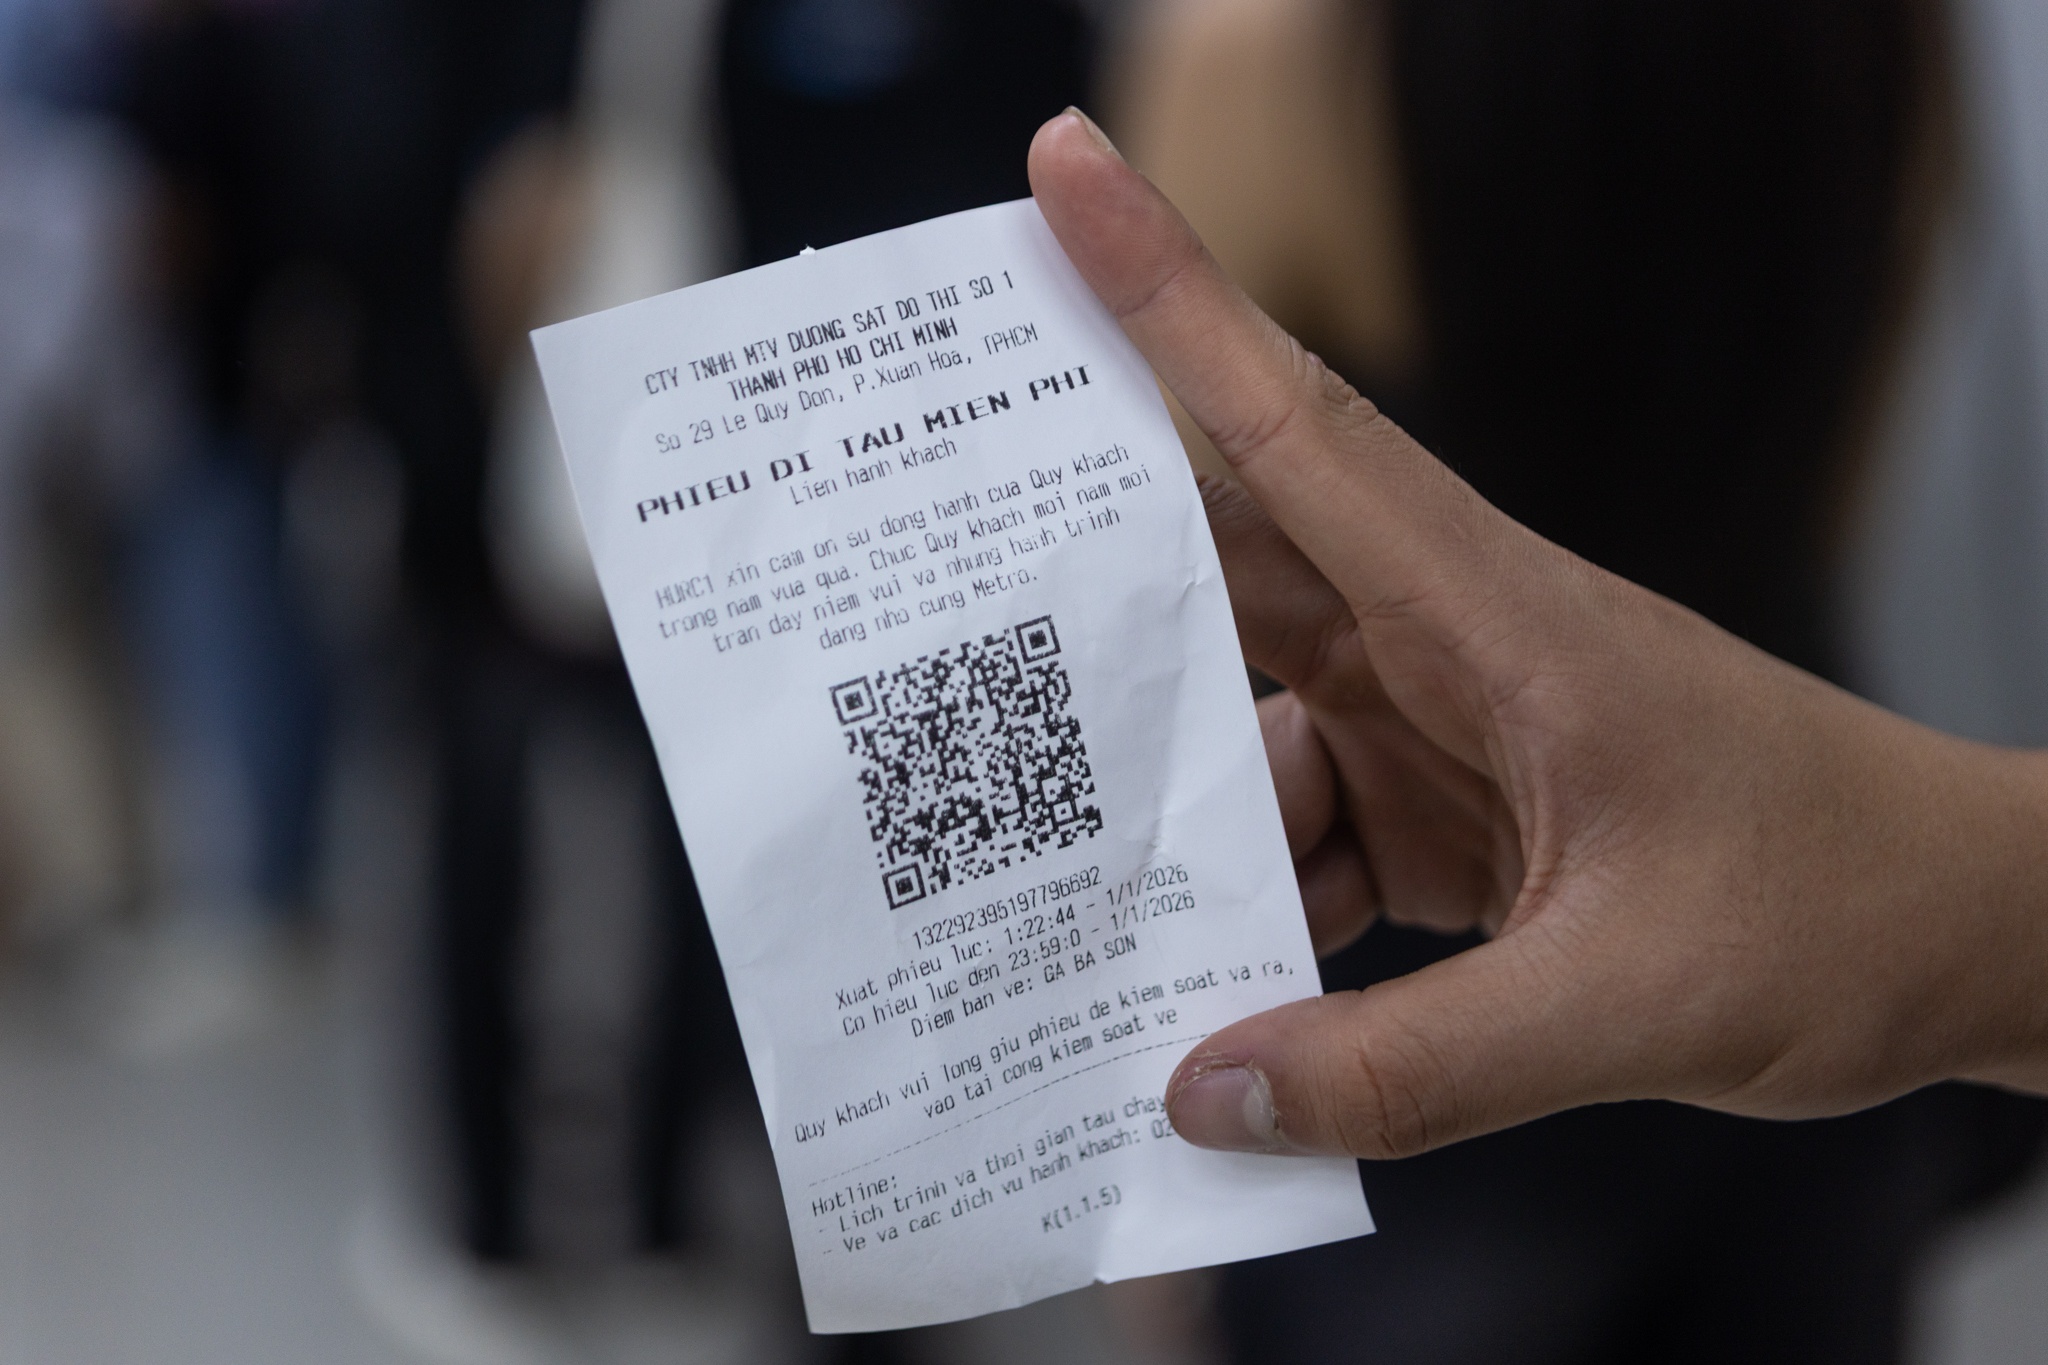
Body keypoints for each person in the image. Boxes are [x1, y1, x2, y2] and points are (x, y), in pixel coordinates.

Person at [1027, 100, 2048, 1194]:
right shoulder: (1878, 41)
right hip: (1804, 804)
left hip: (1432, 982)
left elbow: (1182, 541)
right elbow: (1846, 476)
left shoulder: (1252, 62)